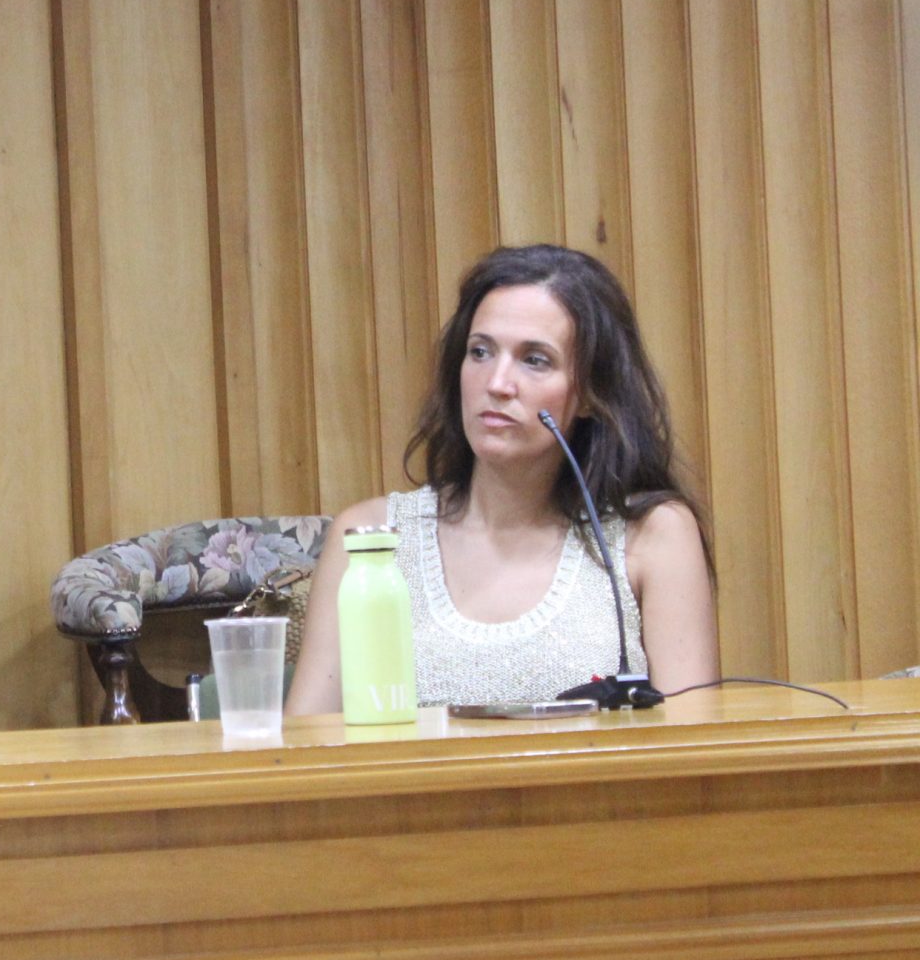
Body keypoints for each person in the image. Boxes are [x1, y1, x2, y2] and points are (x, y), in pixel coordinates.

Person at [286, 245, 718, 714]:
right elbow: (308, 741)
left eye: (535, 360)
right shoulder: (372, 540)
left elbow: (693, 739)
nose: (497, 383)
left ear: (591, 394)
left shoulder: (652, 534)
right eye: (480, 352)